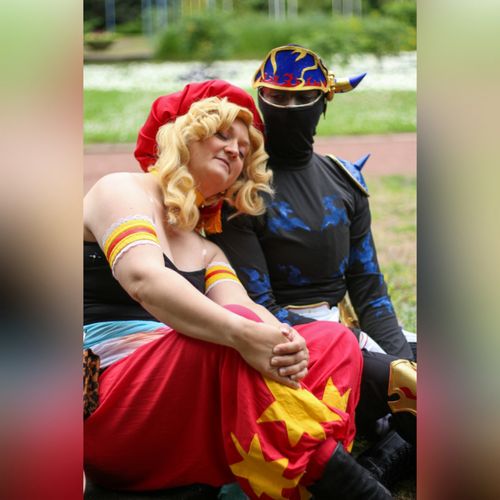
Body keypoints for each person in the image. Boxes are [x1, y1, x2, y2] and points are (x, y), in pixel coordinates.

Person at [84, 90, 391, 499]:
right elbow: (144, 279)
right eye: (222, 135)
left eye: (244, 150)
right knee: (233, 334)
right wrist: (245, 334)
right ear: (182, 134)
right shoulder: (121, 189)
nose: (235, 151)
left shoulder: (207, 249)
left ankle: (294, 469)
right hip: (108, 406)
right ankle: (354, 487)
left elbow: (246, 308)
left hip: (184, 414)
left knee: (333, 342)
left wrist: (288, 344)